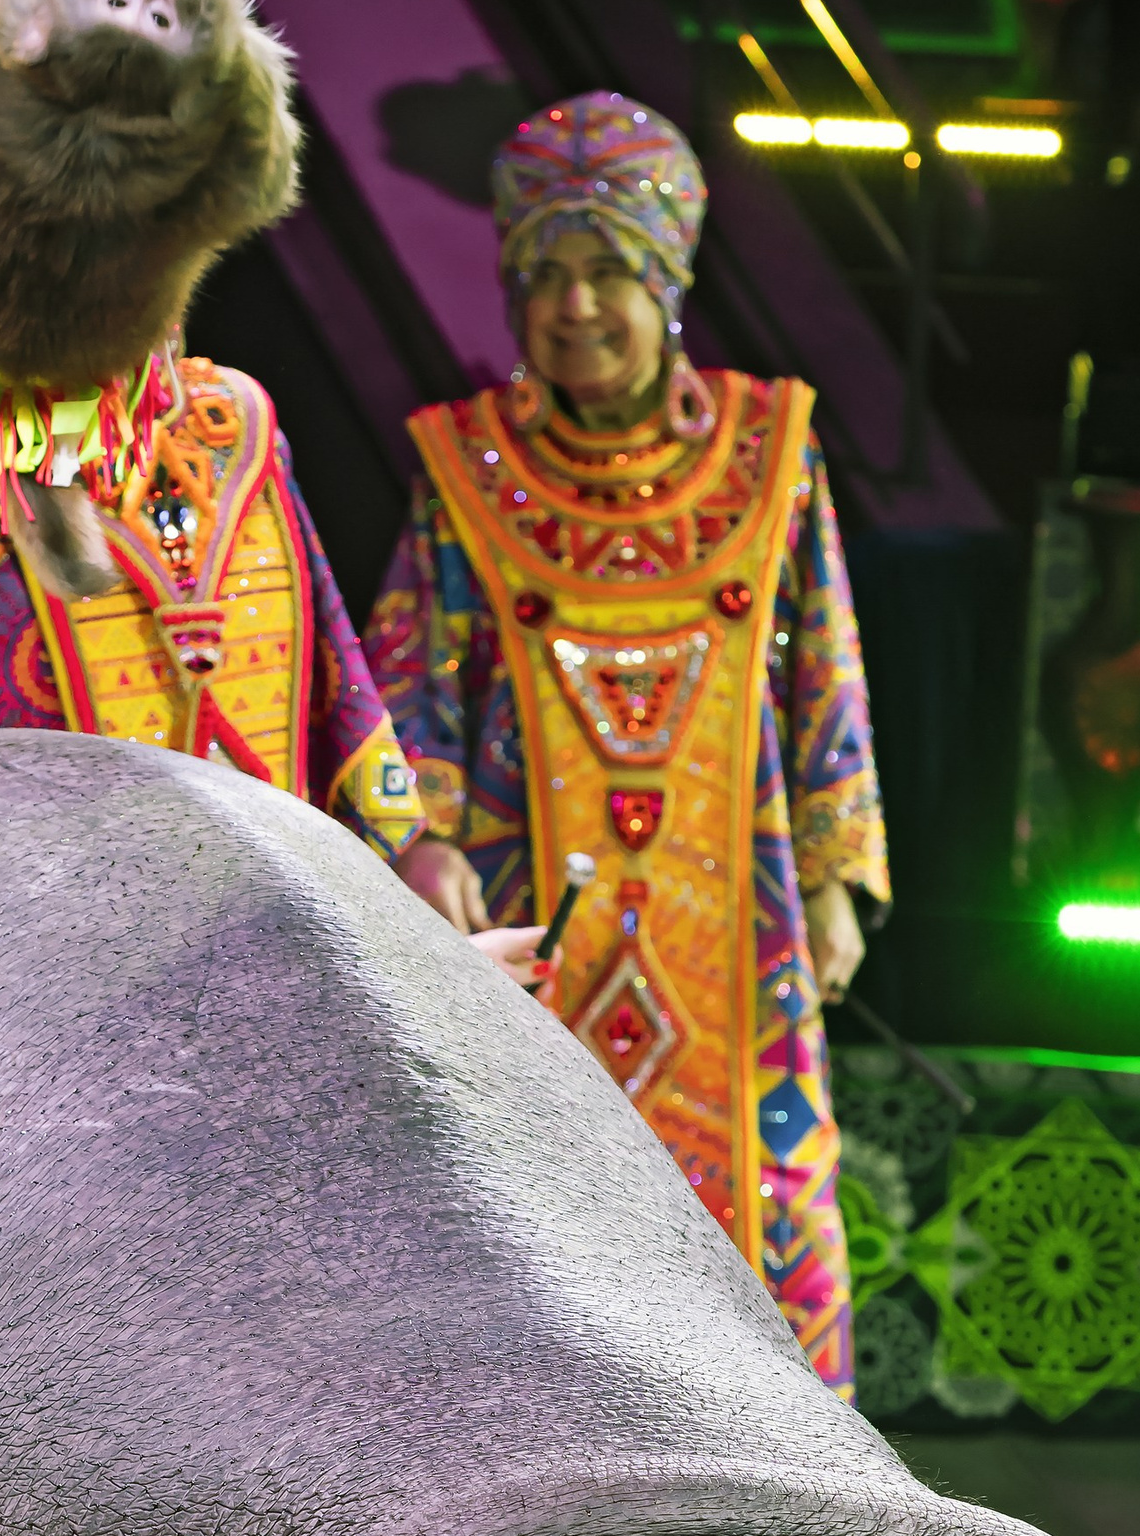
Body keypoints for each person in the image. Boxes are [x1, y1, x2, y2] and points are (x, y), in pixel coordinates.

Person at [363, 94, 888, 1400]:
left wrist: (834, 876)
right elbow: (405, 685)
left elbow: (824, 665)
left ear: (668, 278)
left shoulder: (773, 455)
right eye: (543, 270)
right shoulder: (466, 469)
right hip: (535, 930)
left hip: (740, 946)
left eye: (607, 268)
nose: (575, 303)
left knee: (753, 1235)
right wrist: (423, 843)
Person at [0, 173, 433, 880]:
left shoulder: (230, 419)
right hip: (44, 898)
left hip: (261, 883)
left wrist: (406, 854)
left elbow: (328, 649)